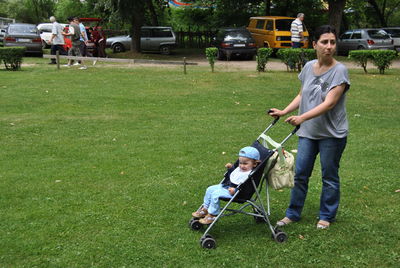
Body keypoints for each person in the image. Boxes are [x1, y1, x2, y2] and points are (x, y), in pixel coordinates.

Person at [268, 25, 350, 229]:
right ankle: (293, 214)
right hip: (308, 133)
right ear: (314, 44)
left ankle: (326, 215)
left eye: (332, 42)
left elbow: (329, 103)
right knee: (301, 174)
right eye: (324, 42)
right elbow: (302, 94)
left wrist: (302, 117)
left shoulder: (340, 71)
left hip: (332, 134)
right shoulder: (308, 66)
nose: (329, 46)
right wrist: (284, 111)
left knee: (329, 176)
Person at [191, 146, 261, 224]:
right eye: (240, 163)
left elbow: (247, 188)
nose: (241, 166)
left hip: (237, 193)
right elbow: (233, 176)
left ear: (254, 164)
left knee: (215, 194)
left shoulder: (249, 175)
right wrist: (231, 168)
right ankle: (205, 209)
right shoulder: (240, 169)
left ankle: (212, 215)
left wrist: (236, 190)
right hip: (227, 187)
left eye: (245, 163)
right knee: (210, 189)